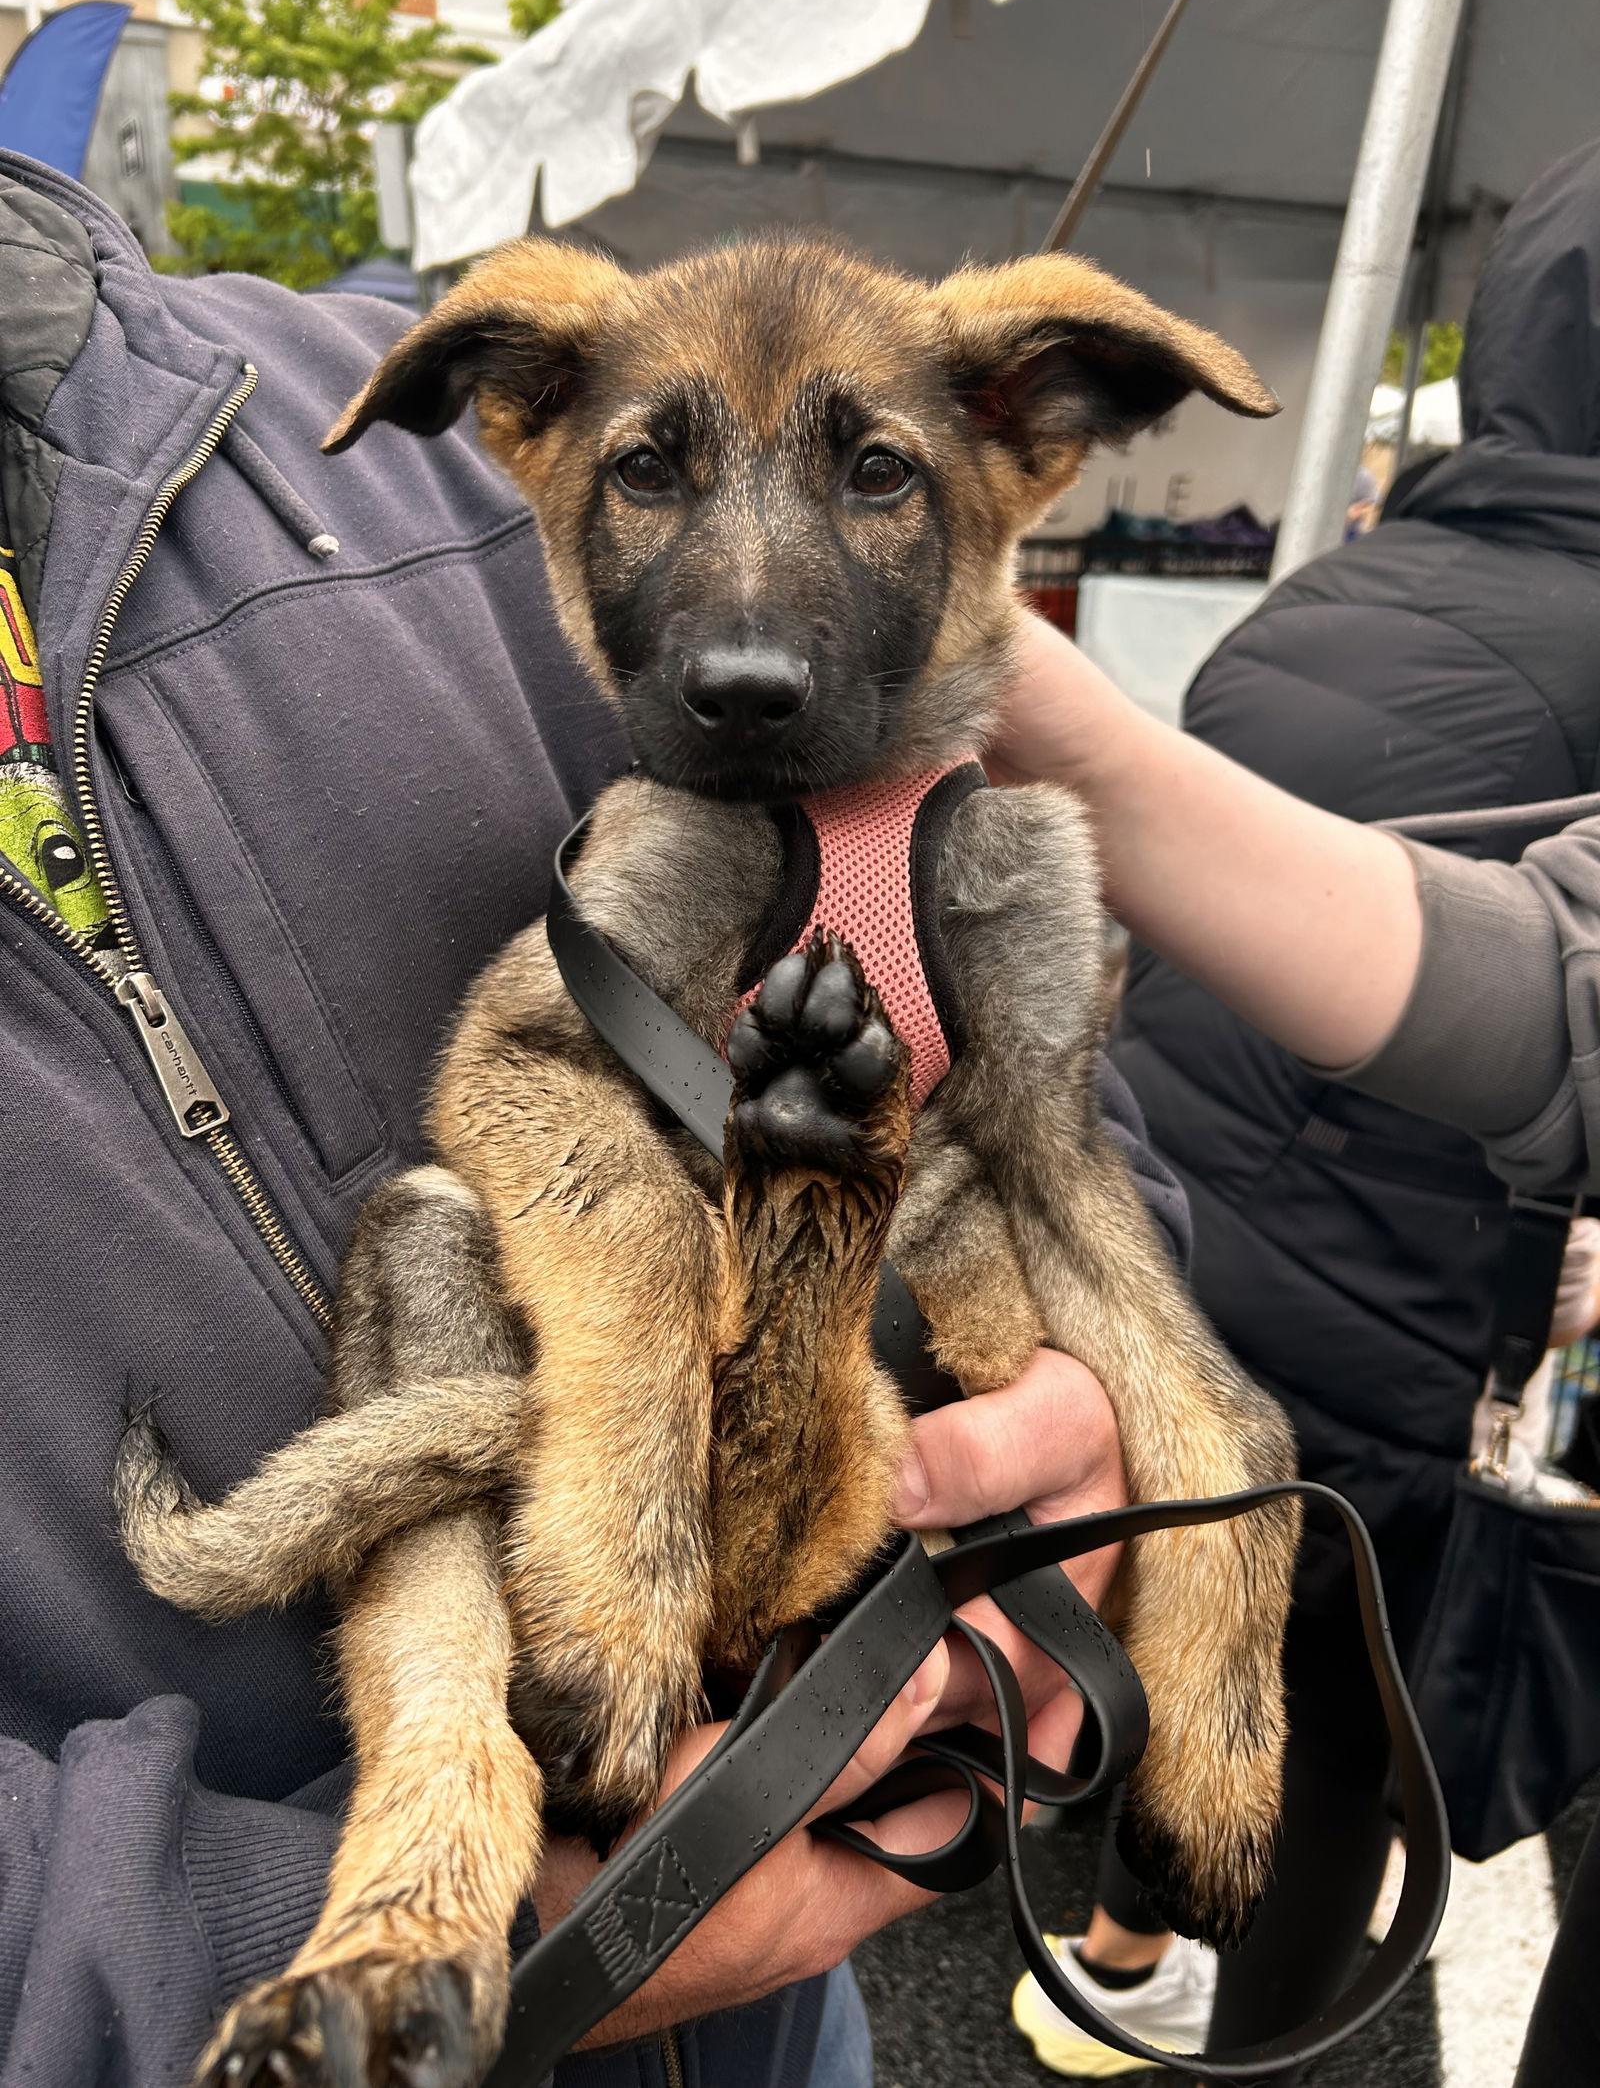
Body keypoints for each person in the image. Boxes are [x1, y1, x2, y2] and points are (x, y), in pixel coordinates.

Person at [0, 148, 1185, 2088]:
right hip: (296, 1984)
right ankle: (420, 1868)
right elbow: (522, 1079)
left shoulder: (391, 447)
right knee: (435, 1266)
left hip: (782, 1993)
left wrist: (1071, 1397)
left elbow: (978, 1053)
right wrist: (254, 1933)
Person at [1012, 132, 1600, 2075]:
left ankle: (1098, 1952)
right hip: (1404, 1313)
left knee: (1193, 1628)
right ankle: (1232, 2033)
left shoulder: (1332, 585)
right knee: (1329, 1762)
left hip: (1170, 1239)